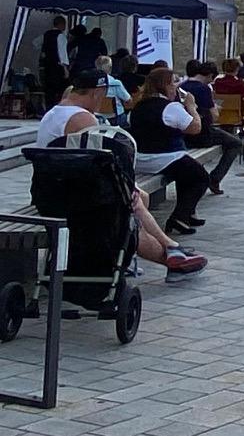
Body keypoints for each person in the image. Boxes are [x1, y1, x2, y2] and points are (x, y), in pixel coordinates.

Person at [37, 72, 206, 279]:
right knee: (128, 211)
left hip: (52, 188)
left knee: (138, 197)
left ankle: (167, 249)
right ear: (97, 92)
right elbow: (100, 161)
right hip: (74, 195)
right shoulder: (82, 118)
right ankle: (170, 257)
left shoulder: (56, 112)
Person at [129, 67, 211, 238]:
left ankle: (188, 214)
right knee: (201, 177)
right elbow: (195, 128)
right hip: (164, 156)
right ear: (165, 85)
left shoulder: (138, 106)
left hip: (141, 157)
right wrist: (191, 107)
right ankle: (179, 217)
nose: (176, 86)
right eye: (174, 82)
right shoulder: (170, 107)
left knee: (187, 170)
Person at [179, 61, 238, 194]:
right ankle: (215, 178)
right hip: (202, 134)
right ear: (210, 75)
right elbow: (214, 116)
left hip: (184, 133)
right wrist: (216, 108)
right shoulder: (203, 88)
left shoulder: (182, 86)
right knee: (235, 143)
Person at [38, 16, 69, 105]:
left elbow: (35, 43)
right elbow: (62, 52)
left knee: (49, 90)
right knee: (60, 90)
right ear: (61, 24)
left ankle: (48, 109)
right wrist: (65, 68)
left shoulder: (46, 34)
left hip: (47, 65)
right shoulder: (60, 36)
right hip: (58, 66)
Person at [94, 55, 131, 123]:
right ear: (110, 68)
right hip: (115, 119)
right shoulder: (115, 83)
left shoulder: (90, 83)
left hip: (96, 118)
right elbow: (128, 100)